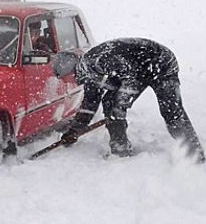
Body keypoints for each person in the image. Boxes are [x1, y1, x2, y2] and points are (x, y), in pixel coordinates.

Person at [54, 37, 204, 161]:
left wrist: (120, 106)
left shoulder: (98, 61)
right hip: (138, 68)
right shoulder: (88, 75)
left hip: (160, 62)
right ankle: (120, 148)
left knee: (171, 111)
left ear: (68, 70)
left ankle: (194, 154)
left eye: (62, 77)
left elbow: (131, 80)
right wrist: (74, 131)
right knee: (110, 103)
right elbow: (90, 104)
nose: (65, 82)